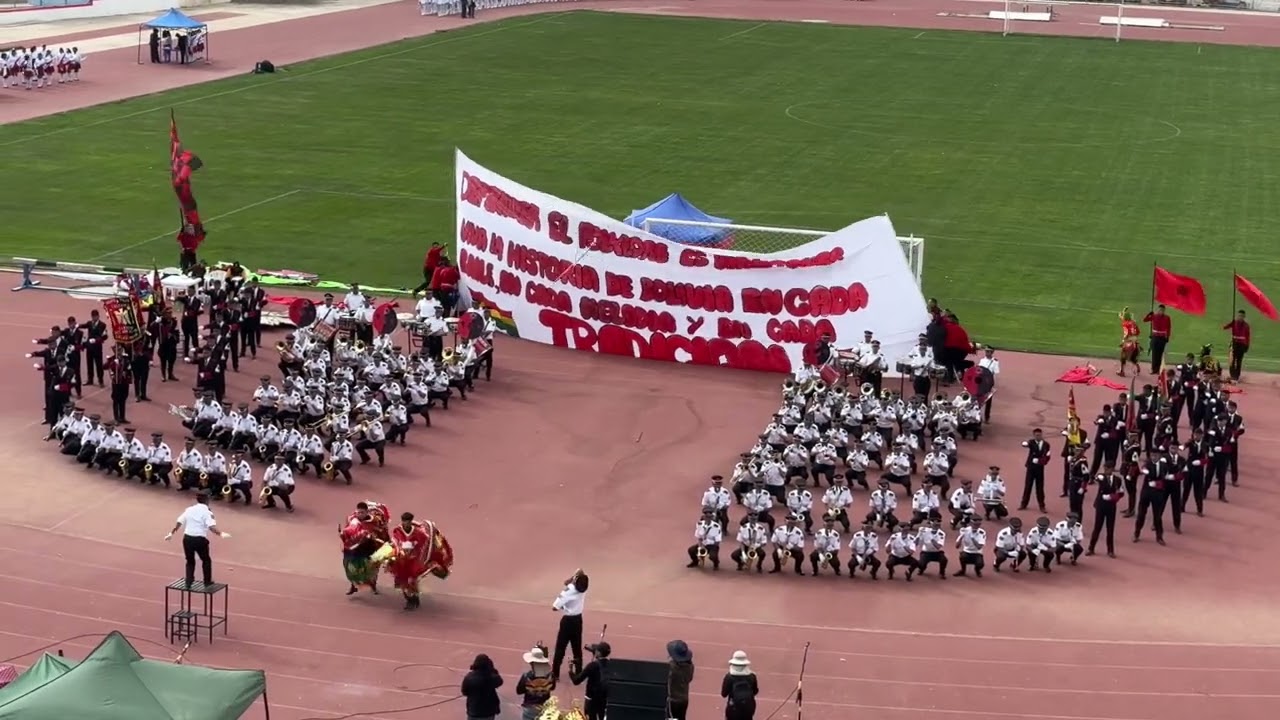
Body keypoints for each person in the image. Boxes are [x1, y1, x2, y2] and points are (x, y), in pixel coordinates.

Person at [165, 492, 229, 587]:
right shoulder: (207, 512)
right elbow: (211, 527)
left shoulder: (189, 510)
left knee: (190, 561)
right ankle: (207, 581)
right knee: (206, 560)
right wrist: (221, 534)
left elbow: (179, 522)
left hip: (187, 538)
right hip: (199, 539)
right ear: (207, 500)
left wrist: (171, 533)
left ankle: (188, 581)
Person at [550, 569, 588, 682]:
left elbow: (554, 607)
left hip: (567, 621)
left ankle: (555, 674)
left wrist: (564, 607)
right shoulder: (584, 587)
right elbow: (577, 576)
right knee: (577, 648)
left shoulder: (568, 591)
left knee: (560, 648)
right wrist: (573, 579)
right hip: (578, 620)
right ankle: (579, 672)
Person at [569, 641, 611, 720]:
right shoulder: (612, 664)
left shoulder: (592, 665)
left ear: (598, 653)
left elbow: (576, 681)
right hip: (605, 699)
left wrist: (571, 671)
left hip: (591, 699)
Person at [516, 646, 556, 720]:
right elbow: (553, 687)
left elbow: (519, 691)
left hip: (530, 707)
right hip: (545, 707)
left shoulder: (527, 676)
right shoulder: (550, 675)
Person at [461, 654, 503, 720]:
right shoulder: (492, 677)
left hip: (473, 711)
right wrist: (492, 670)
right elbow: (500, 682)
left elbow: (464, 692)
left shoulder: (468, 677)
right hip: (488, 712)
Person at [721, 651, 758, 720]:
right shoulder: (752, 676)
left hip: (733, 707)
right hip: (748, 707)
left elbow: (724, 694)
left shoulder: (729, 677)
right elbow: (755, 691)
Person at [667, 640, 695, 720]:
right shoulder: (690, 666)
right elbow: (690, 679)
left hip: (673, 699)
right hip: (684, 698)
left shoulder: (672, 668)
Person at [1224, 309, 1251, 382]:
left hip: (1241, 345)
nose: (1240, 317)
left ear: (1244, 316)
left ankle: (1236, 376)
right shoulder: (1234, 323)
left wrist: (1247, 346)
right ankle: (1232, 375)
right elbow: (1225, 327)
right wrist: (1230, 323)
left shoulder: (1246, 326)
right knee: (1232, 360)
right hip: (1234, 343)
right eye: (1239, 316)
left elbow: (1248, 337)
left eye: (1242, 316)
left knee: (1239, 361)